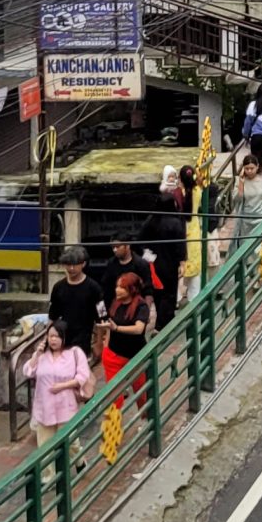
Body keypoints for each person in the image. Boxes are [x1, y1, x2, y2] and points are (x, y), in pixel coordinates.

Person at [29, 319, 93, 450]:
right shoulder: (42, 355)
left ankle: (80, 463)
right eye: (51, 336)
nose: (53, 340)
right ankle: (49, 471)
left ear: (65, 337)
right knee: (44, 449)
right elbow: (29, 371)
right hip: (44, 409)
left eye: (57, 336)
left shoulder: (74, 353)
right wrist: (37, 354)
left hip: (65, 407)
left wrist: (62, 386)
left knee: (71, 445)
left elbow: (82, 376)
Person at [141, 168, 187, 331]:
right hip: (170, 264)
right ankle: (164, 323)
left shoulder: (151, 220)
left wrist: (148, 253)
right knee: (169, 292)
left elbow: (141, 239)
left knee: (158, 293)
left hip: (153, 263)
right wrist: (182, 262)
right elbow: (180, 244)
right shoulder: (175, 222)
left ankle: (160, 323)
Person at [101, 272, 156, 393]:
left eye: (122, 287)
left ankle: (144, 412)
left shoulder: (141, 306)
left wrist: (117, 328)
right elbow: (111, 324)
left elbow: (138, 329)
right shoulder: (115, 303)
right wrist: (106, 346)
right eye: (117, 286)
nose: (117, 290)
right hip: (114, 354)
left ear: (132, 289)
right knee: (113, 395)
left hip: (135, 356)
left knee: (142, 394)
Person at [49, 245, 106, 360]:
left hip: (83, 342)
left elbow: (102, 318)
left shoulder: (94, 288)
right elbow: (52, 317)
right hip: (62, 340)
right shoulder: (58, 287)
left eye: (75, 264)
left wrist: (99, 343)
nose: (71, 268)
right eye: (68, 265)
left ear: (83, 264)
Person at [226, 153, 262, 250]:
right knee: (247, 249)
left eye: (252, 168)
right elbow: (237, 199)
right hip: (246, 222)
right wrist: (241, 183)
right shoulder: (239, 180)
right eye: (247, 168)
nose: (249, 171)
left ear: (257, 167)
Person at [100, 238, 152, 315]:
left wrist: (146, 312)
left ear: (127, 246)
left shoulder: (141, 264)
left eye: (117, 247)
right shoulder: (111, 263)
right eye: (113, 247)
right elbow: (105, 288)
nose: (114, 250)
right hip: (116, 307)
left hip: (136, 307)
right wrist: (103, 314)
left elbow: (148, 290)